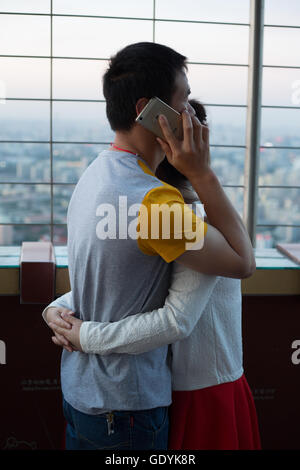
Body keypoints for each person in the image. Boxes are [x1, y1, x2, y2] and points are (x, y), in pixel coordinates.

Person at [43, 42, 256, 450]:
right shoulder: (154, 202)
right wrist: (203, 173)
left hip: (81, 390)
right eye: (184, 101)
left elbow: (107, 274)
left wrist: (54, 307)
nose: (191, 114)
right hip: (126, 407)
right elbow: (242, 261)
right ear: (149, 110)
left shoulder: (96, 176)